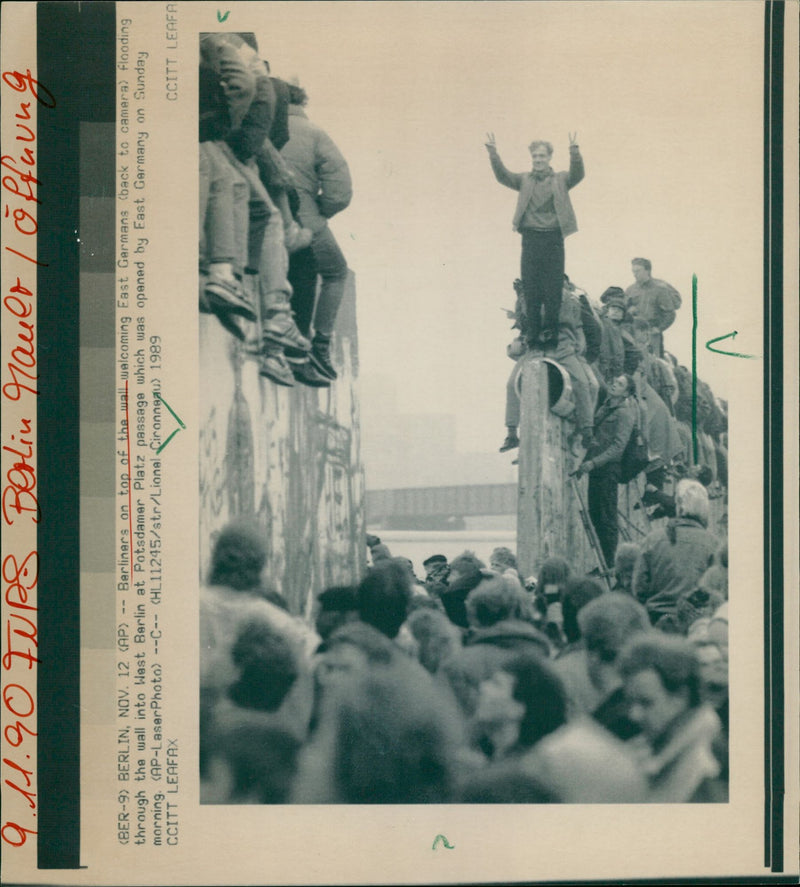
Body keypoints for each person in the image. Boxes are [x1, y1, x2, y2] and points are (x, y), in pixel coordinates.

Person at [281, 82, 353, 381]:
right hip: (306, 218)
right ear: (301, 102)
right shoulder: (314, 133)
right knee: (336, 272)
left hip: (265, 213)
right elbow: (340, 190)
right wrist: (319, 210)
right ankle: (320, 345)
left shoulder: (255, 121)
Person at [485, 132, 584, 345]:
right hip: (530, 238)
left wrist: (574, 152)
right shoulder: (524, 180)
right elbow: (503, 176)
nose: (538, 160)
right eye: (535, 157)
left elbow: (578, 175)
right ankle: (532, 332)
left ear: (549, 158)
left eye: (542, 156)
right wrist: (493, 153)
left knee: (553, 288)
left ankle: (550, 333)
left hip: (554, 238)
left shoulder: (561, 179)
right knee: (531, 286)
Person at [618, 633, 725, 801]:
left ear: (682, 696)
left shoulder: (708, 773)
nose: (634, 715)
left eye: (646, 703)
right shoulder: (656, 749)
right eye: (630, 702)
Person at [572, 374, 638, 569]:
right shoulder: (605, 407)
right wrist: (585, 463)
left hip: (609, 470)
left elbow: (618, 447)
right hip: (596, 468)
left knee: (606, 518)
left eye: (620, 384)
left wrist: (593, 463)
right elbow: (596, 440)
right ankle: (604, 562)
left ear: (626, 392)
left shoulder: (625, 413)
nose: (614, 384)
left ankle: (610, 565)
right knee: (595, 515)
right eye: (614, 381)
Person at [633, 479, 719, 625]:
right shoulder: (712, 543)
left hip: (657, 620)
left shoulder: (653, 539)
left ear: (679, 506)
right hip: (696, 622)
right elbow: (716, 590)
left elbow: (639, 587)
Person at [624, 257, 682, 357]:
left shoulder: (660, 289)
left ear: (647, 271)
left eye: (638, 271)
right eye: (633, 271)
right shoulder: (630, 290)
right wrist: (628, 311)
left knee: (653, 362)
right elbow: (623, 310)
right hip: (633, 332)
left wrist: (659, 329)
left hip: (652, 332)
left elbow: (670, 314)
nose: (635, 274)